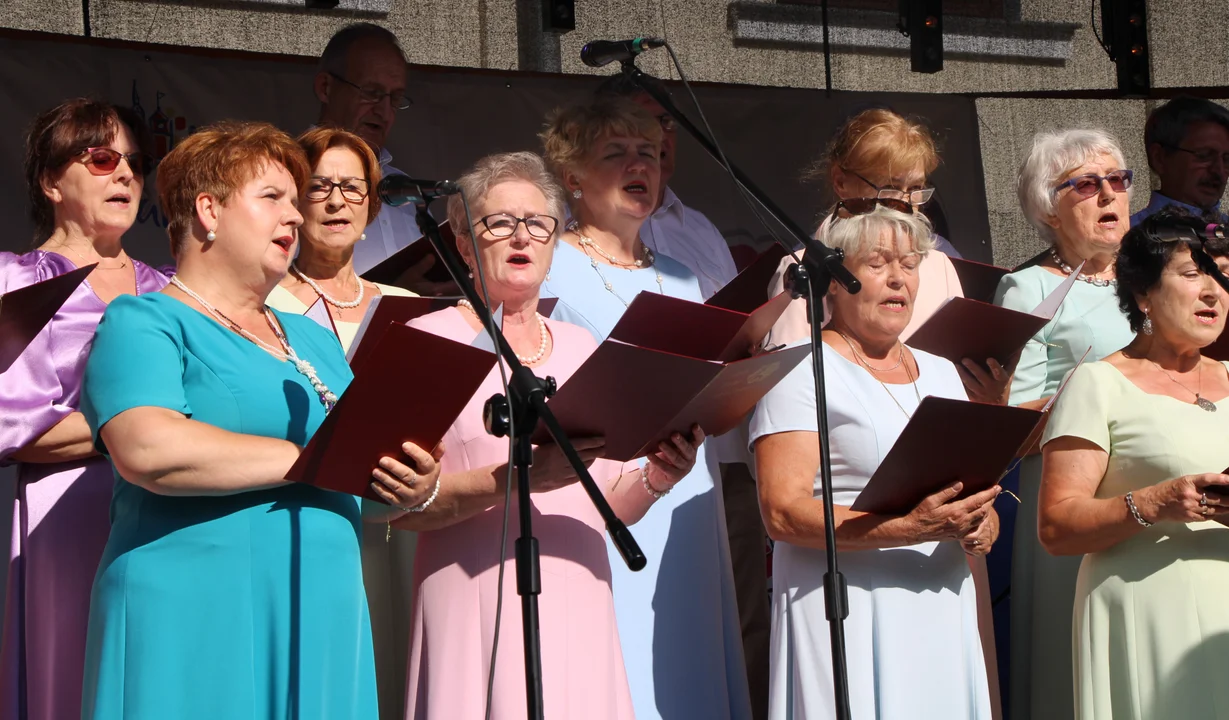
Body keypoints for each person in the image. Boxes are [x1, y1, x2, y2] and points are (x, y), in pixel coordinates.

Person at [76, 120, 438, 718]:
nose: (295, 216)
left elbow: (359, 482)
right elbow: (148, 449)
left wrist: (405, 483)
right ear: (208, 211)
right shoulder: (144, 322)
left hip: (322, 620)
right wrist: (309, 459)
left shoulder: (313, 339)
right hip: (197, 613)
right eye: (272, 197)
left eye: (295, 202)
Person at [395, 150, 703, 719]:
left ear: (555, 240)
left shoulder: (582, 347)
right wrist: (519, 481)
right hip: (474, 593)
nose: (522, 236)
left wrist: (660, 475)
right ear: (462, 243)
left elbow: (607, 503)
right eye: (499, 222)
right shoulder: (428, 339)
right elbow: (401, 509)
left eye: (539, 223)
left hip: (580, 595)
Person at [539, 97, 753, 720]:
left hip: (687, 488)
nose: (641, 166)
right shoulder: (550, 267)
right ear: (573, 176)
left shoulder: (684, 276)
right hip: (602, 489)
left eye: (649, 154)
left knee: (686, 657)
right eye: (617, 154)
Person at [750, 205, 998, 719]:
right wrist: (906, 528)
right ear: (835, 281)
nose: (898, 278)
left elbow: (966, 488)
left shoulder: (942, 372)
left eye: (909, 264)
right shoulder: (800, 368)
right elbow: (781, 512)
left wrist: (982, 522)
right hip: (848, 608)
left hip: (941, 602)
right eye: (878, 262)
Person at [595, 70, 772, 716]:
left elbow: (728, 333)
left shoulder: (694, 235)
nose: (648, 152)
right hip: (610, 477)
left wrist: (745, 354)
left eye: (660, 132)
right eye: (626, 142)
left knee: (715, 637)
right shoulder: (556, 251)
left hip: (705, 463)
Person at [0, 98, 167, 720]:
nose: (124, 173)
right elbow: (14, 424)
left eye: (134, 163)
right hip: (67, 513)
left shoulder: (170, 288)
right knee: (73, 678)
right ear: (51, 181)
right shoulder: (14, 281)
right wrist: (137, 432)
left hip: (168, 504)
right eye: (100, 158)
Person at [1038, 208, 1229, 720]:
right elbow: (1055, 527)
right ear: (1144, 293)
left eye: (1221, 277)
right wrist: (1154, 502)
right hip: (1148, 611)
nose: (1213, 292)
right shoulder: (1098, 384)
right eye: (1193, 274)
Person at [264, 125, 417, 720]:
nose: (336, 201)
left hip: (398, 516)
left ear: (374, 206)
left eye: (353, 188)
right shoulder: (265, 303)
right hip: (309, 513)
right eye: (319, 186)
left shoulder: (406, 305)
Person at [993, 128, 1136, 720]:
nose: (1108, 193)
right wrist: (1095, 401)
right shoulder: (1028, 288)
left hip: (1158, 489)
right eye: (1086, 184)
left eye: (1118, 179)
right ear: (1049, 208)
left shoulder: (1156, 279)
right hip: (1072, 497)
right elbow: (1012, 426)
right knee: (1077, 670)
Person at [315, 23, 452, 294]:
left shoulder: (404, 190)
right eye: (371, 93)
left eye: (395, 98)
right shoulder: (287, 175)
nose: (384, 111)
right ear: (325, 88)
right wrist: (388, 297)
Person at [1131, 96, 1229, 225]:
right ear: (1159, 158)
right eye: (1204, 155)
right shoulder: (1126, 235)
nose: (1219, 170)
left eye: (1227, 159)